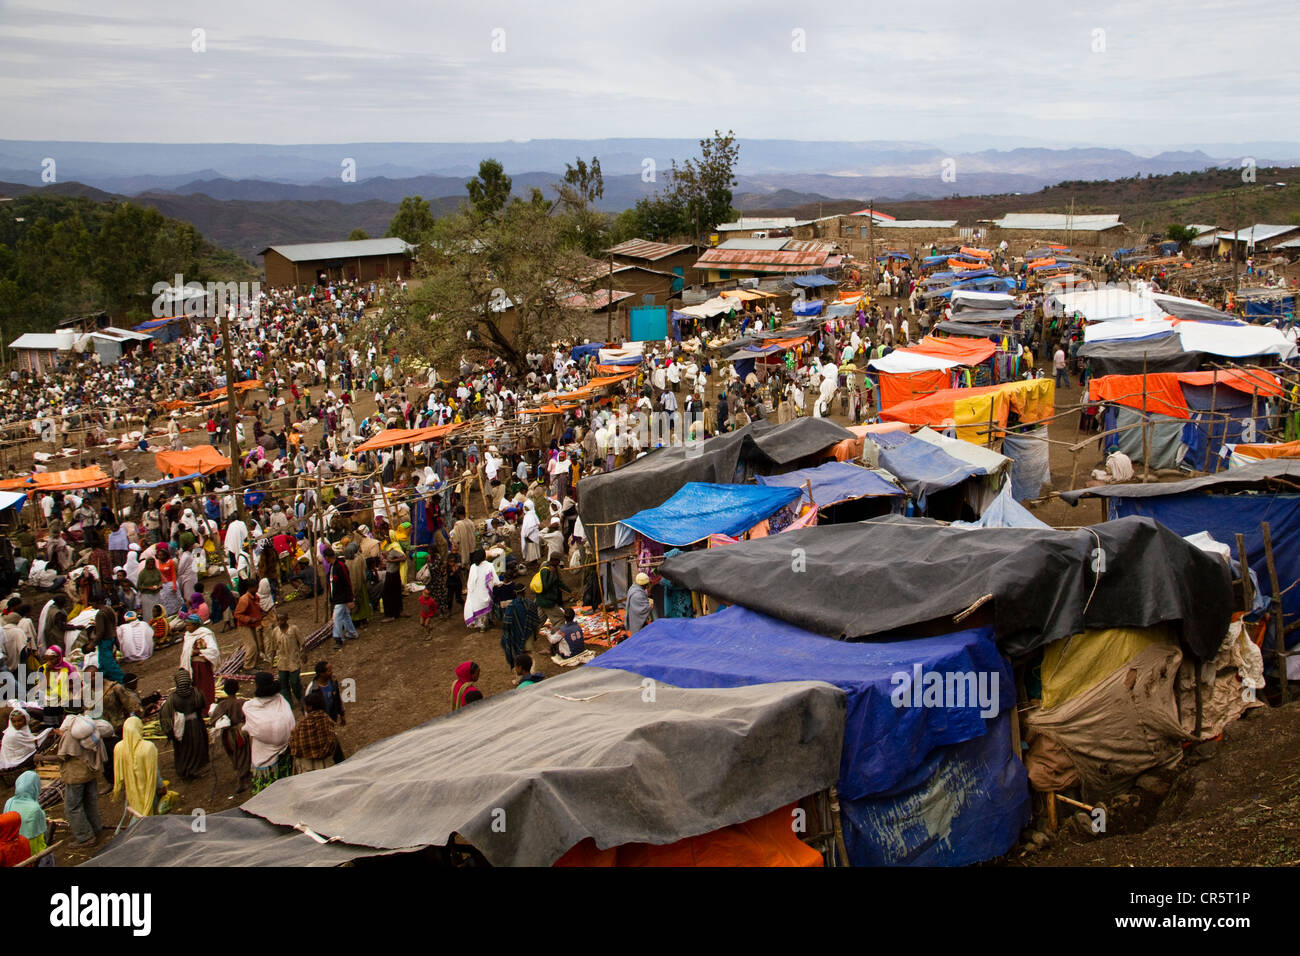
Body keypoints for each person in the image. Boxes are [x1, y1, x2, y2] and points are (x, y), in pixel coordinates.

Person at [51, 715, 108, 847]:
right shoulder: (89, 730)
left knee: (73, 807)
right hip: (90, 771)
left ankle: (85, 836)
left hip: (76, 775)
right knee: (89, 802)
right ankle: (96, 828)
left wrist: (41, 757)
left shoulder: (70, 736)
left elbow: (63, 755)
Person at [242, 672, 296, 794]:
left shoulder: (250, 708)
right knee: (286, 788)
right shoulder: (282, 702)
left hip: (265, 759)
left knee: (267, 793)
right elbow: (291, 726)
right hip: (285, 753)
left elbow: (251, 729)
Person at [159, 668, 210, 783]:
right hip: (196, 725)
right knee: (197, 746)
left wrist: (169, 732)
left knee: (183, 750)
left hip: (181, 729)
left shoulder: (173, 699)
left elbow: (165, 716)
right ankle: (196, 768)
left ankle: (185, 770)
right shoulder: (196, 693)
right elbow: (202, 705)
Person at [111, 715, 162, 827]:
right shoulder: (148, 747)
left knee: (136, 811)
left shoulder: (119, 747)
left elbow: (120, 774)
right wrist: (161, 786)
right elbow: (154, 774)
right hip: (149, 790)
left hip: (131, 791)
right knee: (150, 811)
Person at [209, 678, 252, 793]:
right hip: (240, 733)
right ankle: (243, 778)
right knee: (244, 754)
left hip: (227, 736)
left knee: (234, 755)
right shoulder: (242, 703)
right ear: (237, 689)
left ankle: (240, 773)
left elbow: (213, 720)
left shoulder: (222, 705)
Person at [288, 689, 342, 773]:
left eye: (305, 705)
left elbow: (295, 744)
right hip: (324, 762)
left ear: (310, 707)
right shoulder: (327, 721)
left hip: (307, 763)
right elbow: (331, 741)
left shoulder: (302, 724)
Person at [4, 771, 48, 862]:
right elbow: (41, 832)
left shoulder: (9, 802)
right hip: (33, 849)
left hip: (12, 848)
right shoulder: (35, 808)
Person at [322, 546, 357, 649]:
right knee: (345, 616)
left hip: (341, 597)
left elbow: (347, 582)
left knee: (336, 618)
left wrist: (350, 598)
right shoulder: (333, 567)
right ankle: (352, 633)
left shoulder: (340, 566)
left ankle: (338, 638)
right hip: (337, 597)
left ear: (328, 557)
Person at [269, 611, 304, 710]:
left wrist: (304, 654)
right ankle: (288, 703)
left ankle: (301, 698)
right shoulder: (275, 632)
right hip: (282, 662)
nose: (280, 622)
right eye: (278, 620)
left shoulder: (294, 629)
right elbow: (273, 648)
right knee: (283, 684)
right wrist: (271, 663)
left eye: (282, 620)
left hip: (294, 661)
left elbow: (302, 642)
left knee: (295, 682)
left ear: (287, 620)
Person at [303, 660, 347, 726]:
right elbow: (307, 708)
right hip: (319, 723)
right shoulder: (312, 689)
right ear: (322, 674)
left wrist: (342, 714)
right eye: (329, 671)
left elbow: (338, 698)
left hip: (332, 717)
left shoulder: (333, 681)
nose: (332, 672)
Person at [234, 579, 266, 667]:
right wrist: (249, 619)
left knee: (256, 645)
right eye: (256, 587)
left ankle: (254, 663)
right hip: (244, 626)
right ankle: (248, 666)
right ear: (250, 588)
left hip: (252, 625)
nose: (257, 589)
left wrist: (262, 613)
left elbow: (257, 608)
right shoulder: (244, 599)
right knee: (252, 646)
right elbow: (237, 614)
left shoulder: (255, 597)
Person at [463, 548, 496, 630]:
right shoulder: (489, 565)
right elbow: (495, 580)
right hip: (485, 591)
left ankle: (482, 624)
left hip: (475, 592)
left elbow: (470, 582)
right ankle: (484, 625)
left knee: (478, 606)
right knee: (488, 604)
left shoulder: (473, 567)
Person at [535, 554, 568, 628]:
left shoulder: (554, 568)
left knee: (539, 620)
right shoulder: (545, 570)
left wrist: (570, 591)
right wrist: (552, 574)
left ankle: (531, 633)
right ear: (553, 560)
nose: (559, 563)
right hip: (547, 600)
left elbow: (559, 583)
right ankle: (557, 636)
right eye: (558, 561)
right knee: (560, 619)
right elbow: (545, 586)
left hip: (543, 600)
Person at [625, 571, 654, 636]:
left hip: (633, 615)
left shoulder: (633, 588)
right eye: (646, 585)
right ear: (643, 584)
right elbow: (642, 609)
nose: (646, 587)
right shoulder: (638, 594)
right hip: (637, 618)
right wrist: (650, 606)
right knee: (639, 633)